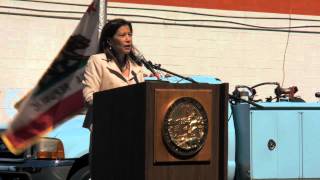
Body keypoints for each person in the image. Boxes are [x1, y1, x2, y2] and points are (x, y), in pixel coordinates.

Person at [82, 18, 145, 130]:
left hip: (132, 126)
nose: (128, 39)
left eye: (129, 35)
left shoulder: (136, 67)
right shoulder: (98, 61)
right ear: (109, 41)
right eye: (122, 35)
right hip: (106, 125)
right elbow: (89, 95)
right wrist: (116, 104)